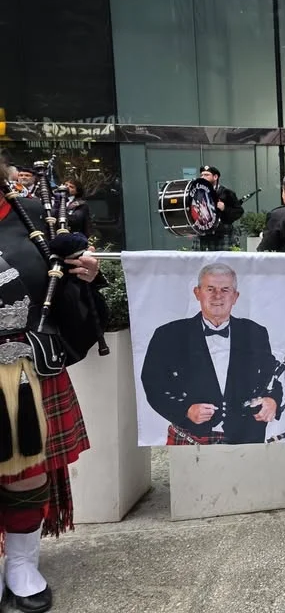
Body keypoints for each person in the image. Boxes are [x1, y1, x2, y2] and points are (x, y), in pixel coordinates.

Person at [0, 160, 104, 613]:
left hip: (27, 366)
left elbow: (68, 275)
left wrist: (88, 272)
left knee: (28, 473)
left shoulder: (33, 214)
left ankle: (22, 563)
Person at [140, 263, 282, 445]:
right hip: (189, 434)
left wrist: (272, 400)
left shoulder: (255, 332)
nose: (217, 296)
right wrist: (185, 410)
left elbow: (271, 378)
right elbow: (153, 385)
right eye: (210, 289)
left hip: (246, 435)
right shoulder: (168, 334)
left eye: (225, 290)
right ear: (197, 293)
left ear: (235, 296)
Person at [192, 165, 244, 252]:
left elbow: (239, 211)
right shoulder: (197, 193)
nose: (203, 177)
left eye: (206, 175)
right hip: (203, 235)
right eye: (202, 175)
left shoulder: (226, 193)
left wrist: (224, 208)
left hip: (223, 235)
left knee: (225, 260)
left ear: (215, 177)